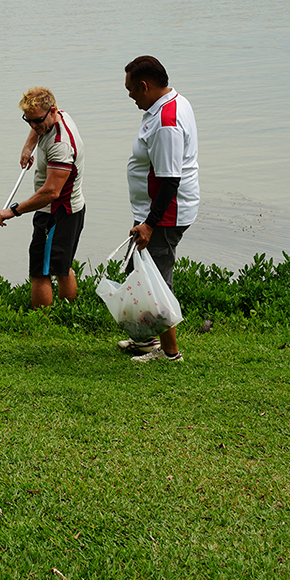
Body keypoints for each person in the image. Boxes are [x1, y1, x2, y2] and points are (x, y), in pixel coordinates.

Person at [119, 56, 200, 363]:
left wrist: (150, 224)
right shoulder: (168, 105)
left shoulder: (167, 122)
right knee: (139, 273)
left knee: (156, 281)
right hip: (152, 210)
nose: (129, 96)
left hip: (165, 214)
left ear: (145, 86)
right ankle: (145, 339)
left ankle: (170, 354)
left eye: (131, 90)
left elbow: (169, 180)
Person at [0, 87, 86, 309]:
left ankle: (40, 321)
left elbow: (50, 192)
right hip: (70, 208)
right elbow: (38, 125)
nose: (34, 126)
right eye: (28, 121)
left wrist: (13, 210)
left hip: (56, 212)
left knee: (40, 271)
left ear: (52, 111)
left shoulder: (60, 145)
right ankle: (66, 313)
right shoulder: (54, 117)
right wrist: (28, 146)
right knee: (62, 265)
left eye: (37, 121)